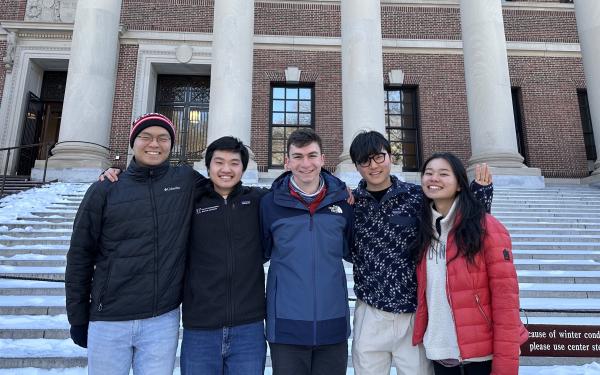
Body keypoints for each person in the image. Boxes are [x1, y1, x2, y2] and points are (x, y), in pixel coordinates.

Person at [65, 113, 205, 375]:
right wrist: (78, 316)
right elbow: (80, 256)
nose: (155, 144)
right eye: (146, 137)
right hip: (109, 320)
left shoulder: (184, 181)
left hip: (161, 320)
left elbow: (226, 188)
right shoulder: (104, 189)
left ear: (171, 144)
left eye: (163, 138)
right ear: (133, 142)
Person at [348, 131, 493, 375]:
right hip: (370, 312)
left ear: (390, 156)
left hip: (413, 313)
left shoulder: (417, 197)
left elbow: (458, 221)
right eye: (365, 161)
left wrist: (480, 193)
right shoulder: (351, 204)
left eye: (379, 157)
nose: (373, 166)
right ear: (356, 165)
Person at [412, 152, 527, 375]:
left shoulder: (487, 228)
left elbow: (506, 303)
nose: (434, 178)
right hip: (440, 355)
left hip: (480, 358)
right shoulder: (424, 231)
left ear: (459, 185)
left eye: (443, 174)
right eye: (428, 173)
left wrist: (505, 367)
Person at [260, 128, 353, 375]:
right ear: (287, 161)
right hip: (286, 327)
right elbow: (262, 251)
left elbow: (352, 249)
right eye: (298, 156)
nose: (306, 163)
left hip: (333, 324)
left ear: (323, 159)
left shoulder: (343, 203)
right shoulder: (269, 204)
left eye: (312, 156)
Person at [180, 136, 267, 374]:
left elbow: (296, 186)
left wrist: (334, 183)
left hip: (248, 327)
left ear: (243, 168)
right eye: (219, 162)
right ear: (208, 167)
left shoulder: (258, 200)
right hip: (200, 327)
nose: (226, 169)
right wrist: (115, 174)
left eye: (234, 163)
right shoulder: (189, 201)